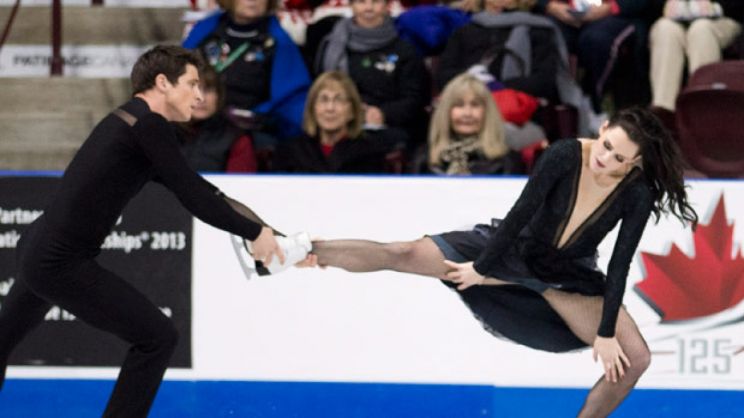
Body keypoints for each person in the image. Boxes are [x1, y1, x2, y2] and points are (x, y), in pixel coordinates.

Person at [301, 107, 698, 417]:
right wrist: (483, 268)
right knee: (403, 253)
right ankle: (302, 250)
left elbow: (619, 265)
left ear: (633, 163)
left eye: (618, 158)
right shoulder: (564, 154)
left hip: (567, 275)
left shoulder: (637, 193)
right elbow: (520, 214)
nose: (605, 158)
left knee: (636, 359)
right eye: (607, 145)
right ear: (603, 128)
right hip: (511, 249)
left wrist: (608, 331)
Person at [0, 46, 308, 418]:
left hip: (38, 248)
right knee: (157, 339)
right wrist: (253, 231)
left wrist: (268, 234)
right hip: (58, 261)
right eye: (192, 84)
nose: (199, 95)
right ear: (162, 82)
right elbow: (193, 196)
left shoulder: (132, 122)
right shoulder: (150, 125)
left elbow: (202, 191)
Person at [183, 0, 311, 143]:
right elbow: (177, 78)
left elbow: (293, 102)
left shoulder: (280, 41)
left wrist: (258, 116)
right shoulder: (204, 29)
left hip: (252, 133)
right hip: (197, 127)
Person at [315, 0, 431, 146]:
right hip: (339, 125)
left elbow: (416, 98)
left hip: (390, 128)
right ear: (351, 6)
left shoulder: (405, 50)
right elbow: (319, 89)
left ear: (387, 6)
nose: (368, 8)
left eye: (375, 2)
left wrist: (383, 114)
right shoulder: (332, 45)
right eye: (361, 2)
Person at [273, 71, 406, 173]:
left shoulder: (370, 153)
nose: (330, 108)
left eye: (339, 100)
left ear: (353, 110)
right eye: (323, 100)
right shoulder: (291, 151)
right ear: (313, 108)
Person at [428, 73, 544, 175]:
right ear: (445, 111)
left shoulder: (507, 162)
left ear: (488, 111)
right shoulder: (425, 161)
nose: (467, 113)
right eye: (459, 105)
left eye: (475, 105)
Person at [649, 0, 743, 113]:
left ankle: (703, 110)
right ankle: (663, 112)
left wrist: (717, 7)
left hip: (722, 17)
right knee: (665, 29)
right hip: (674, 19)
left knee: (701, 30)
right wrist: (664, 6)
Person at [177, 65, 258, 172]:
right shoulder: (160, 133)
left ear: (219, 95)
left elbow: (242, 187)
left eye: (208, 90)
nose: (201, 98)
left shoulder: (238, 139)